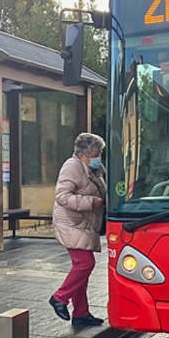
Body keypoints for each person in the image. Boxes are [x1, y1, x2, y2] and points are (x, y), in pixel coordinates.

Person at [48, 132, 107, 327]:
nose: (99, 157)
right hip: (71, 224)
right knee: (84, 264)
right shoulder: (72, 167)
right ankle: (59, 298)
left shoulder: (92, 168)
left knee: (82, 268)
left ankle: (81, 313)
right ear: (84, 155)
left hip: (83, 224)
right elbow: (62, 196)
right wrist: (90, 202)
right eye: (97, 153)